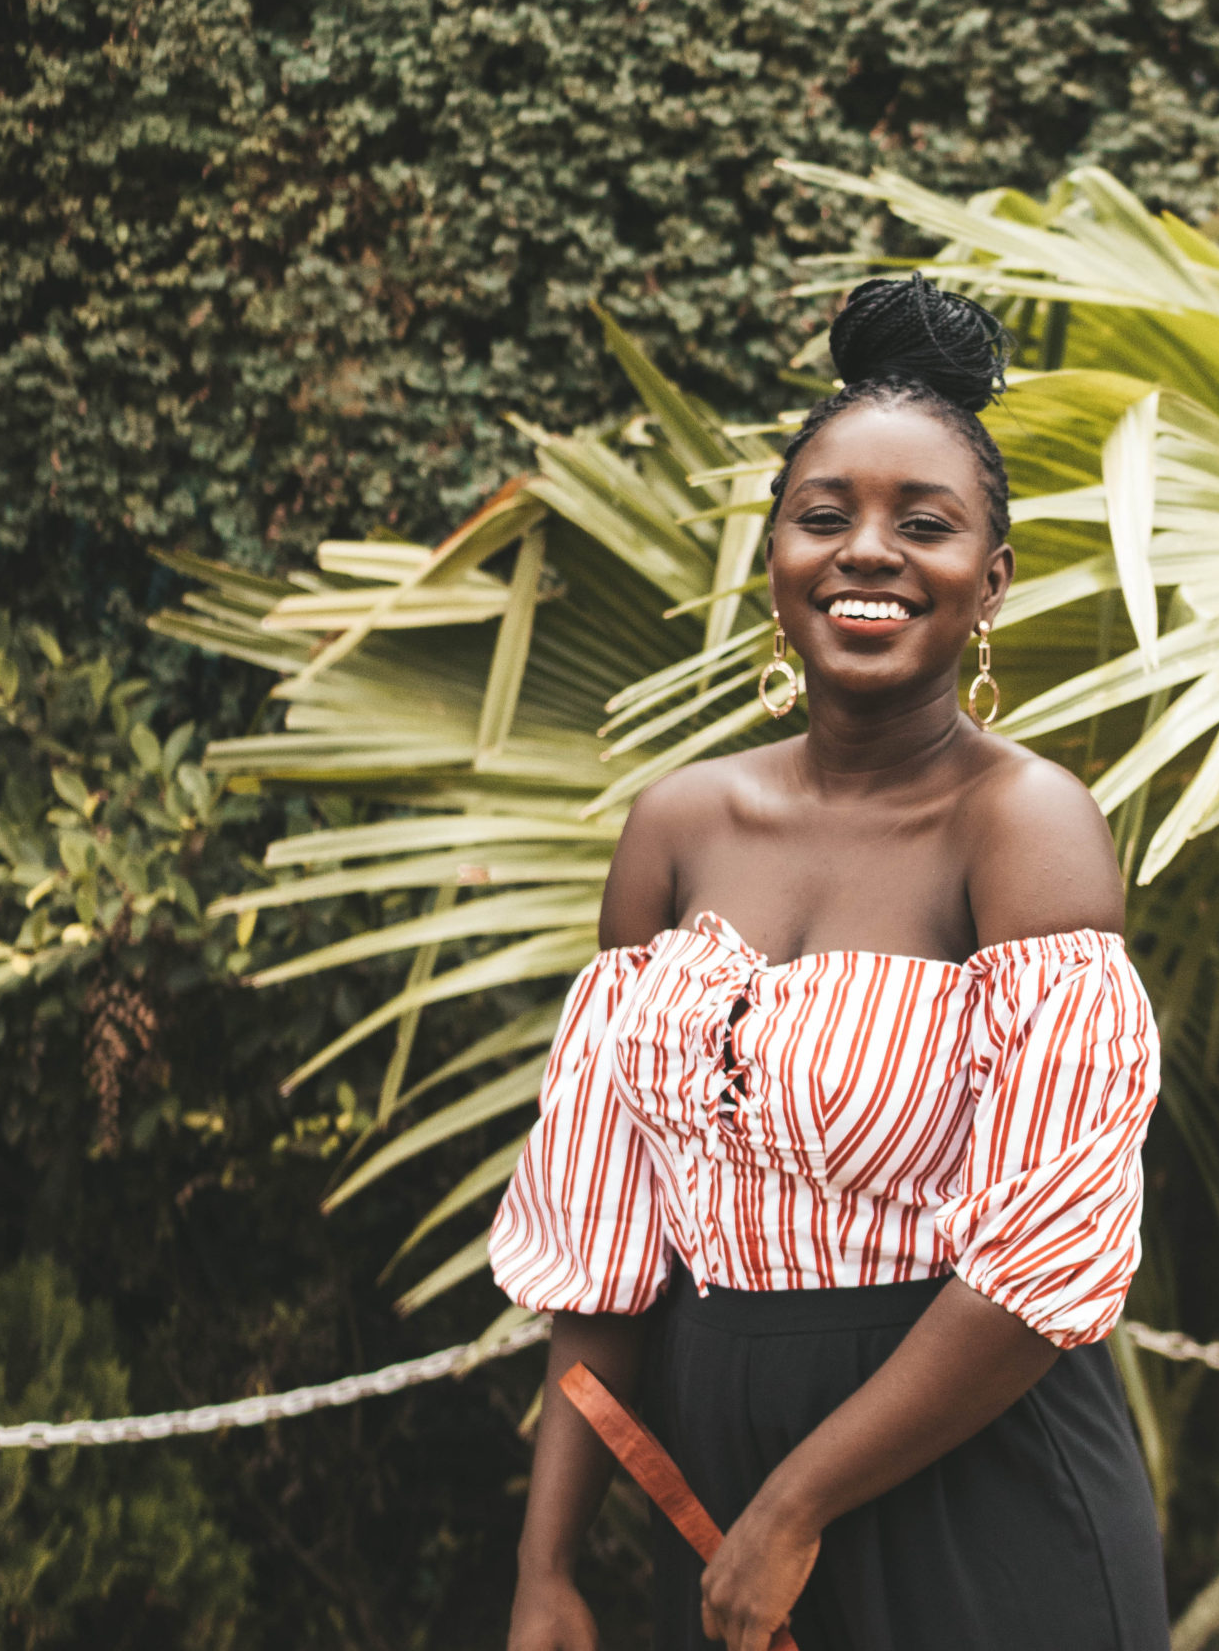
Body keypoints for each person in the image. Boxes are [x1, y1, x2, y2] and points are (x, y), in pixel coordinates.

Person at [490, 274, 1167, 1651]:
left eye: (924, 525)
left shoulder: (1021, 826)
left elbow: (1042, 1256)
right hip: (726, 1475)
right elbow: (609, 1231)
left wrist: (794, 1506)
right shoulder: (677, 825)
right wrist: (545, 1567)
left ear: (990, 581)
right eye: (823, 517)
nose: (867, 551)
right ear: (773, 560)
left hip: (981, 1482)